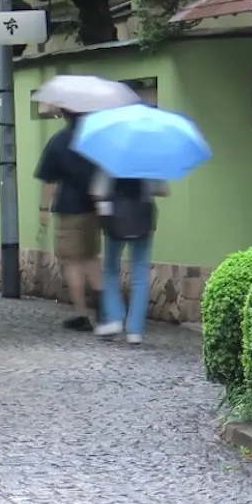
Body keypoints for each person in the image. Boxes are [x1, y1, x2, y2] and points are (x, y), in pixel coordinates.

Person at [35, 110, 103, 330]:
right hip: (93, 208)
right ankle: (105, 311)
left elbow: (49, 180)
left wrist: (43, 209)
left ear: (66, 115)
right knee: (90, 258)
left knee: (73, 262)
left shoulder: (60, 141)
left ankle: (81, 315)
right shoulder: (96, 139)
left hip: (69, 209)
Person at [91, 170, 166, 344]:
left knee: (110, 269)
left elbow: (97, 191)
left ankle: (115, 316)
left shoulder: (110, 161)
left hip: (116, 219)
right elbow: (163, 191)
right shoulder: (149, 162)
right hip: (142, 219)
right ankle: (135, 330)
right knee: (140, 274)